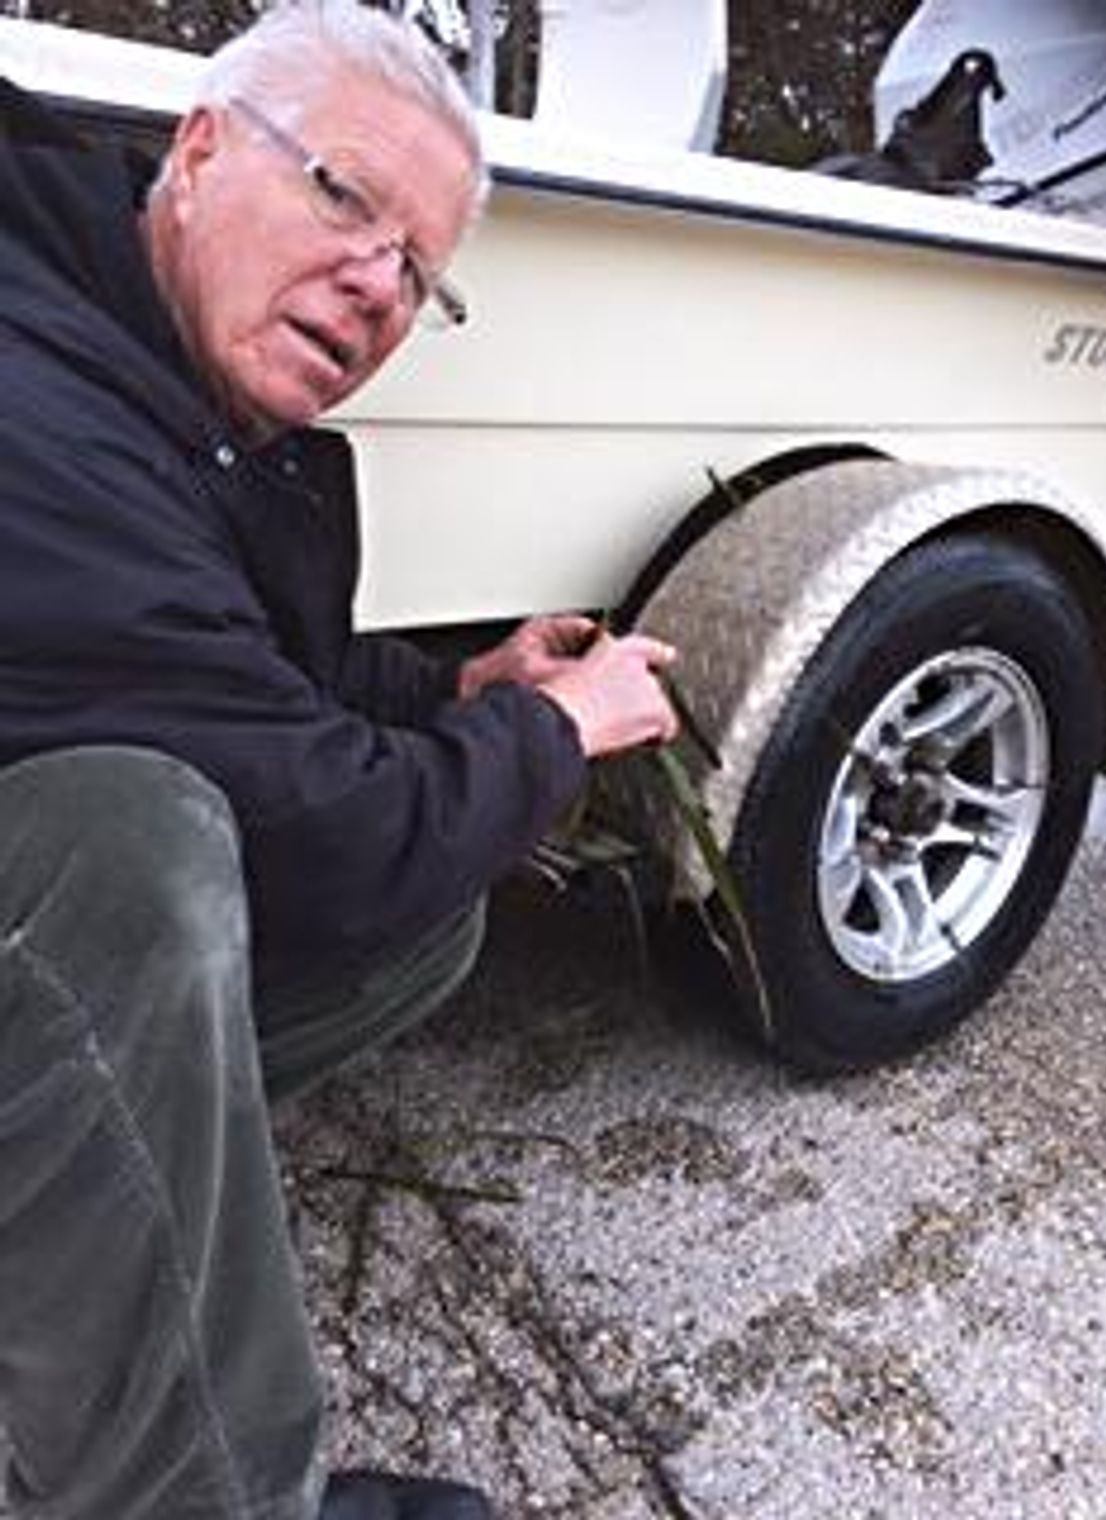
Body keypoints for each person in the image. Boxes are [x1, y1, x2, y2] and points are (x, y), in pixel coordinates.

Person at [0, 3, 678, 1518]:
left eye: (420, 272)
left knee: (426, 912)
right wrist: (558, 730)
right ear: (197, 148)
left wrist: (461, 686)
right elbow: (327, 834)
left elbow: (244, 680)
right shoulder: (39, 420)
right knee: (138, 842)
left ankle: (68, 1242)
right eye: (343, 196)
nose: (377, 283)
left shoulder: (140, 361)